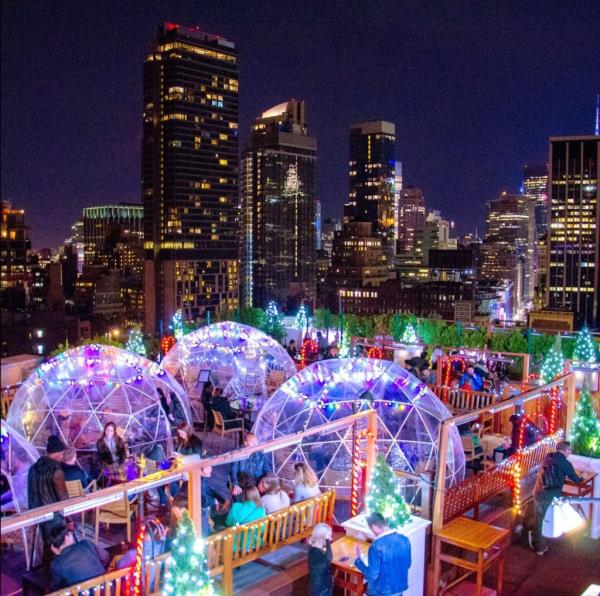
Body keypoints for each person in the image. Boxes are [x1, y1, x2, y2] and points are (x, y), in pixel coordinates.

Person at [528, 440, 583, 555]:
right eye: (570, 450)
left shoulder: (548, 457)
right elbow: (576, 479)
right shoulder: (565, 462)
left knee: (540, 519)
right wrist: (581, 478)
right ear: (565, 450)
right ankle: (548, 539)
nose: (571, 452)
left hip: (538, 492)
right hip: (552, 496)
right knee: (551, 517)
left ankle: (539, 547)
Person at [353, 512, 411, 596]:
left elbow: (372, 575)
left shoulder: (376, 546)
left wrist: (358, 560)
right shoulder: (404, 540)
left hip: (380, 591)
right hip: (399, 589)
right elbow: (408, 564)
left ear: (374, 527)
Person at [47, 518, 108, 590]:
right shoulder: (86, 544)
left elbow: (56, 587)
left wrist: (58, 554)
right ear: (67, 537)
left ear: (53, 548)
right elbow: (106, 557)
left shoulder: (57, 563)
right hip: (109, 591)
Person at [28, 435, 69, 509]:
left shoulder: (33, 468)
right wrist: (69, 518)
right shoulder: (55, 470)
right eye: (62, 454)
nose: (62, 457)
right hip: (53, 515)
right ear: (57, 453)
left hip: (35, 514)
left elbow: (30, 494)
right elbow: (63, 497)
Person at [225, 486, 266, 550]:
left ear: (244, 495)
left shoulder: (235, 506)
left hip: (234, 543)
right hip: (252, 543)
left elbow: (228, 523)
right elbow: (262, 529)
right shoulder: (261, 510)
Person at [199, 464, 228, 535]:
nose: (211, 469)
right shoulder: (197, 481)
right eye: (208, 467)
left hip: (207, 509)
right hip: (202, 511)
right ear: (200, 470)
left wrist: (221, 499)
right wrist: (214, 501)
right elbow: (203, 501)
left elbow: (209, 490)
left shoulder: (203, 479)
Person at [307, 523, 333, 596]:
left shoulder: (316, 549)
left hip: (322, 587)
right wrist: (327, 541)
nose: (331, 539)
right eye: (329, 537)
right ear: (322, 538)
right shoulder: (315, 552)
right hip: (320, 590)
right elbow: (329, 558)